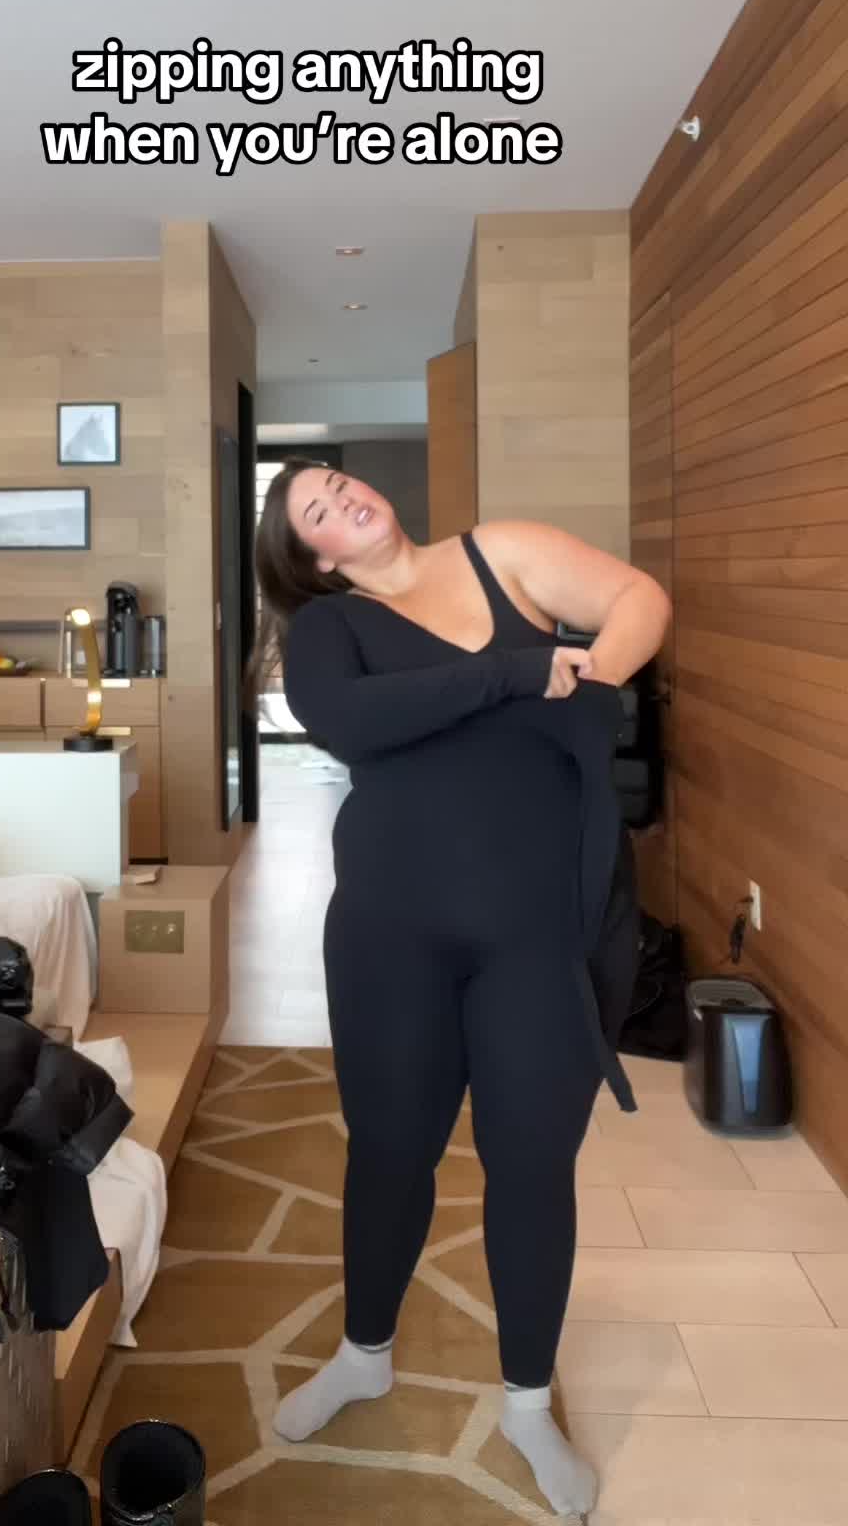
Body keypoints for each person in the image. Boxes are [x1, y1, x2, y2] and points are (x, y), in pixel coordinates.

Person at [253, 459, 670, 1519]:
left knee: (532, 1163)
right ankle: (365, 1354)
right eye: (317, 511)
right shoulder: (329, 628)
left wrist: (593, 676)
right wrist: (520, 676)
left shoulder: (504, 555)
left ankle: (528, 1404)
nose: (345, 499)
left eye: (339, 482)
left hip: (542, 935)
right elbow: (346, 721)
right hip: (393, 939)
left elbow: (639, 597)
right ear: (315, 558)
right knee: (391, 1152)